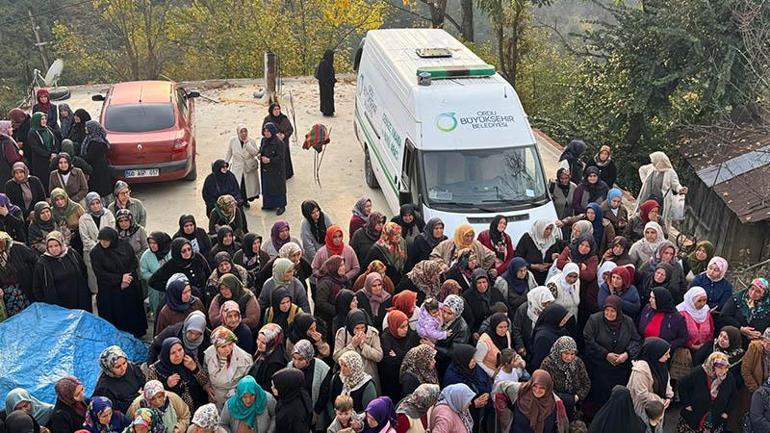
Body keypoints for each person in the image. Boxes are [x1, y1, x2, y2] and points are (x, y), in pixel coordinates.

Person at [582, 295, 642, 416]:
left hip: (620, 369)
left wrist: (626, 354)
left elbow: (636, 340)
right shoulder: (594, 320)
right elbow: (588, 340)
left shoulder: (627, 322)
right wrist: (606, 354)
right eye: (607, 310)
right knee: (600, 399)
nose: (609, 314)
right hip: (599, 368)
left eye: (613, 311)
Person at [89, 226, 146, 336]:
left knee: (131, 312)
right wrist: (120, 279)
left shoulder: (124, 245)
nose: (103, 243)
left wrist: (127, 278)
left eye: (106, 240)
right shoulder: (96, 252)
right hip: (110, 290)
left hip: (129, 284)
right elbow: (100, 273)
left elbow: (133, 262)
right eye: (101, 240)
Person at [676, 351, 735, 433]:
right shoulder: (698, 372)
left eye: (726, 367)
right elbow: (682, 386)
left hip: (715, 416)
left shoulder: (729, 377)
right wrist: (687, 405)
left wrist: (726, 412)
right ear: (712, 365)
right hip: (695, 414)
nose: (723, 370)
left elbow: (733, 395)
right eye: (719, 367)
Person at [31, 231, 91, 312]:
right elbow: (37, 287)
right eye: (50, 247)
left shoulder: (71, 254)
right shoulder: (42, 263)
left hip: (79, 299)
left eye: (56, 245)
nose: (54, 249)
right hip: (59, 305)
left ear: (61, 244)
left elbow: (83, 271)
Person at [495, 370, 570, 433]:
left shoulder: (555, 403)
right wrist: (505, 415)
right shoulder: (520, 391)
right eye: (535, 386)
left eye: (542, 388)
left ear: (548, 388)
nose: (537, 390)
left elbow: (561, 426)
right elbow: (500, 388)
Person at [147, 337, 210, 410]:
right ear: (166, 354)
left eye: (180, 350)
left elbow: (204, 381)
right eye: (173, 353)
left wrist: (194, 368)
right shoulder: (156, 369)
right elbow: (152, 395)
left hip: (199, 407)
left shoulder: (189, 359)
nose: (178, 355)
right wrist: (166, 385)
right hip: (174, 412)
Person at [538, 336, 590, 420]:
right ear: (559, 351)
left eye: (572, 354)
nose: (569, 357)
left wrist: (578, 397)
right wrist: (566, 399)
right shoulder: (547, 364)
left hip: (575, 405)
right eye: (566, 353)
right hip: (554, 405)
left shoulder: (578, 362)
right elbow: (544, 386)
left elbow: (586, 383)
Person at [202, 326, 254, 409]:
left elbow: (248, 381)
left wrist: (236, 392)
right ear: (216, 346)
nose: (228, 349)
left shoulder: (245, 359)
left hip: (235, 399)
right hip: (215, 396)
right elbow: (205, 371)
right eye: (223, 346)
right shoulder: (209, 353)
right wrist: (207, 386)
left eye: (230, 344)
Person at [627, 337, 674, 426]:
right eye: (666, 354)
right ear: (656, 354)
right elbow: (641, 394)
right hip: (644, 409)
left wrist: (668, 397)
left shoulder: (661, 365)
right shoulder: (640, 370)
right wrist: (659, 401)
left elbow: (667, 382)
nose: (669, 356)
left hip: (658, 408)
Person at [334, 310, 384, 390]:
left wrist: (363, 346)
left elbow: (378, 356)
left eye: (362, 328)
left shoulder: (372, 333)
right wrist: (352, 345)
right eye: (357, 328)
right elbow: (337, 357)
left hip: (368, 373)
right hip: (348, 376)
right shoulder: (343, 334)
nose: (360, 331)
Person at [635, 151, 688, 227]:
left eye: (654, 160)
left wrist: (680, 189)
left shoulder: (670, 172)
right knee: (644, 213)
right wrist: (644, 182)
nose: (652, 162)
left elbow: (676, 185)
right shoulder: (652, 168)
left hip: (661, 200)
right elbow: (641, 170)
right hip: (648, 197)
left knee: (657, 217)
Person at [93, 345, 147, 414]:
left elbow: (142, 380)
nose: (123, 368)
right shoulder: (104, 388)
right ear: (109, 368)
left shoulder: (130, 367)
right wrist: (136, 396)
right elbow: (115, 408)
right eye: (118, 367)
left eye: (124, 363)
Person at [80, 192, 116, 293]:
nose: (96, 206)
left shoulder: (108, 214)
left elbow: (111, 232)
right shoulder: (83, 218)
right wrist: (98, 247)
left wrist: (104, 245)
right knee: (94, 278)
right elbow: (85, 238)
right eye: (92, 204)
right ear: (88, 205)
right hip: (91, 252)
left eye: (97, 203)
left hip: (108, 250)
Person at [379, 310, 419, 401]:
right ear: (394, 326)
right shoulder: (386, 338)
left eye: (406, 325)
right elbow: (389, 362)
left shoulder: (411, 335)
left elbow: (416, 357)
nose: (406, 329)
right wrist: (406, 355)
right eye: (402, 327)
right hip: (392, 381)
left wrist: (398, 356)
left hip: (409, 378)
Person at [125, 380, 191, 433]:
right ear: (147, 398)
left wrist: (178, 429)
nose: (157, 401)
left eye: (160, 396)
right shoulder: (137, 405)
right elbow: (130, 424)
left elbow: (185, 416)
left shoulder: (173, 398)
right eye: (152, 398)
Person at [721, 278, 770, 345]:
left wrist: (761, 334)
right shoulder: (738, 298)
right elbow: (724, 315)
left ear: (764, 294)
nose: (753, 293)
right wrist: (741, 329)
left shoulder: (767, 305)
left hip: (756, 341)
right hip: (733, 338)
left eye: (758, 291)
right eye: (752, 289)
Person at [288, 339, 331, 415]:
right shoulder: (290, 366)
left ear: (308, 358)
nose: (296, 363)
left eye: (300, 359)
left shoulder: (322, 369)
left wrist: (316, 412)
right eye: (294, 358)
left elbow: (324, 394)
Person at [511, 286, 555, 361]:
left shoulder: (549, 311)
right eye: (545, 303)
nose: (547, 306)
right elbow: (516, 329)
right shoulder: (524, 310)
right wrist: (520, 346)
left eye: (549, 303)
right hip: (526, 346)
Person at [431, 224, 496, 274]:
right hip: (452, 276)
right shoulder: (447, 244)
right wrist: (442, 265)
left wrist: (481, 270)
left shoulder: (476, 244)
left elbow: (491, 255)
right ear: (460, 235)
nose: (469, 239)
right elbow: (434, 255)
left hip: (471, 278)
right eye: (467, 236)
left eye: (471, 236)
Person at [515, 220, 563, 285]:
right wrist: (533, 266)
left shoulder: (552, 240)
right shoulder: (527, 238)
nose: (549, 231)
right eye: (546, 229)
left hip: (547, 276)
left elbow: (556, 256)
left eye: (551, 229)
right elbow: (518, 257)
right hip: (529, 275)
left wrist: (553, 259)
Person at [461, 269, 506, 335]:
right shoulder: (467, 296)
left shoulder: (495, 292)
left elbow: (505, 310)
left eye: (484, 282)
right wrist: (473, 333)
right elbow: (468, 320)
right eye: (479, 283)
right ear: (474, 283)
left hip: (498, 331)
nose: (482, 286)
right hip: (478, 333)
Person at [226, 124, 261, 207]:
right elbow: (229, 153)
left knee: (246, 186)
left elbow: (256, 153)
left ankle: (245, 201)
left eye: (245, 131)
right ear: (238, 132)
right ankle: (238, 201)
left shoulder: (251, 141)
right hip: (237, 167)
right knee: (238, 185)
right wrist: (225, 163)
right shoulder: (233, 141)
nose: (244, 133)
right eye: (241, 131)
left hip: (248, 167)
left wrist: (247, 144)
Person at [363, 222, 407, 286]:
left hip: (400, 279)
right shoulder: (376, 249)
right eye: (395, 234)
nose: (398, 236)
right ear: (387, 235)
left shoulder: (402, 242)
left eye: (399, 233)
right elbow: (367, 267)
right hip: (383, 283)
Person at [271, 368, 312, 433]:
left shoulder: (296, 414)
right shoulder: (287, 396)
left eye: (275, 386)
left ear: (284, 386)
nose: (272, 388)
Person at [259, 122, 287, 215]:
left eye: (268, 131)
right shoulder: (263, 140)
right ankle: (269, 204)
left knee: (277, 187)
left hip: (276, 170)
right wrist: (260, 155)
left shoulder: (279, 143)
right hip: (266, 169)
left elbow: (281, 158)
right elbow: (261, 150)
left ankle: (281, 205)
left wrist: (270, 160)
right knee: (267, 186)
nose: (266, 133)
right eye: (265, 131)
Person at [248, 323, 288, 390]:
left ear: (271, 343)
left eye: (263, 343)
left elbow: (268, 386)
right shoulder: (266, 349)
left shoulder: (275, 363)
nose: (259, 344)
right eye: (258, 339)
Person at [26, 112, 59, 188]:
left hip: (52, 158)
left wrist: (54, 153)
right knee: (43, 178)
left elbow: (55, 141)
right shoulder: (32, 132)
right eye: (41, 119)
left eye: (45, 119)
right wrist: (48, 155)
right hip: (40, 160)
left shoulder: (48, 129)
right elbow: (35, 147)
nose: (44, 121)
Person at [677, 286, 714, 354]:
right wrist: (691, 346)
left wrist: (705, 345)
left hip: (704, 349)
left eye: (704, 300)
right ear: (691, 300)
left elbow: (711, 330)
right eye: (699, 301)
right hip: (685, 351)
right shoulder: (681, 311)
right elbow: (679, 333)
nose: (702, 304)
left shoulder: (706, 310)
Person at [81, 120, 112, 200]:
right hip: (100, 168)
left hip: (97, 170)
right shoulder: (98, 139)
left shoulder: (95, 143)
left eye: (87, 127)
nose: (85, 128)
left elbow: (90, 157)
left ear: (92, 128)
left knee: (99, 191)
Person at [263, 103, 295, 179]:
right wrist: (274, 135)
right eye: (275, 109)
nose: (277, 111)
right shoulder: (268, 120)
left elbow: (290, 129)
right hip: (272, 145)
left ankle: (287, 175)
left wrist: (284, 135)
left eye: (278, 109)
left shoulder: (284, 118)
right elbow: (263, 131)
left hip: (284, 143)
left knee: (285, 158)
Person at [0, 121, 24, 188]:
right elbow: (13, 159)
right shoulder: (6, 142)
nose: (12, 129)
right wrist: (20, 154)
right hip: (8, 173)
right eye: (9, 127)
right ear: (4, 129)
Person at [316, 49, 337, 116]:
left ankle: (329, 111)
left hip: (327, 84)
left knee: (328, 98)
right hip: (325, 85)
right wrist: (329, 81)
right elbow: (323, 76)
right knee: (326, 98)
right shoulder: (324, 63)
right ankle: (327, 111)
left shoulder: (326, 62)